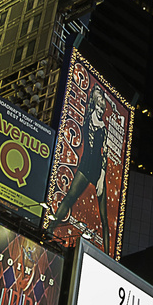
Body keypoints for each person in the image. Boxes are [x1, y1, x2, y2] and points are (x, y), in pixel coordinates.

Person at [50, 87, 110, 240]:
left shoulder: (104, 128)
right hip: (85, 166)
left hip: (98, 171)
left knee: (104, 218)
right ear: (94, 104)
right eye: (98, 105)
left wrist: (102, 178)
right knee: (69, 197)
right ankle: (49, 230)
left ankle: (108, 258)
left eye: (102, 107)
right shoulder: (87, 118)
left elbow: (105, 155)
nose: (100, 110)